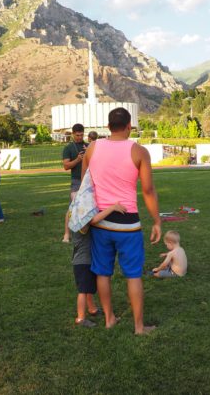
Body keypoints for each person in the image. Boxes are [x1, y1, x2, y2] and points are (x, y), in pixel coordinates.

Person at [81, 107, 161, 334]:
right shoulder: (139, 151)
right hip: (128, 225)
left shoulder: (93, 147)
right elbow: (147, 190)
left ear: (108, 127)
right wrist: (156, 221)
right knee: (133, 275)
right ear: (129, 126)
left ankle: (109, 319)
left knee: (103, 272)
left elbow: (86, 184)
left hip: (100, 223)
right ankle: (138, 326)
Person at [71, 201, 127, 328]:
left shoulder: (74, 218)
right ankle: (80, 318)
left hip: (87, 260)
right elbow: (93, 221)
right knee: (83, 291)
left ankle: (92, 309)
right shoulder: (81, 224)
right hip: (83, 262)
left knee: (89, 288)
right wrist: (112, 208)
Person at [62, 123, 87, 242]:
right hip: (76, 181)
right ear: (72, 134)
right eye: (77, 135)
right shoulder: (68, 148)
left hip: (88, 180)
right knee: (72, 207)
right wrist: (77, 160)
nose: (79, 137)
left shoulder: (88, 146)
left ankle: (86, 230)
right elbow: (66, 166)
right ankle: (67, 234)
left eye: (81, 135)